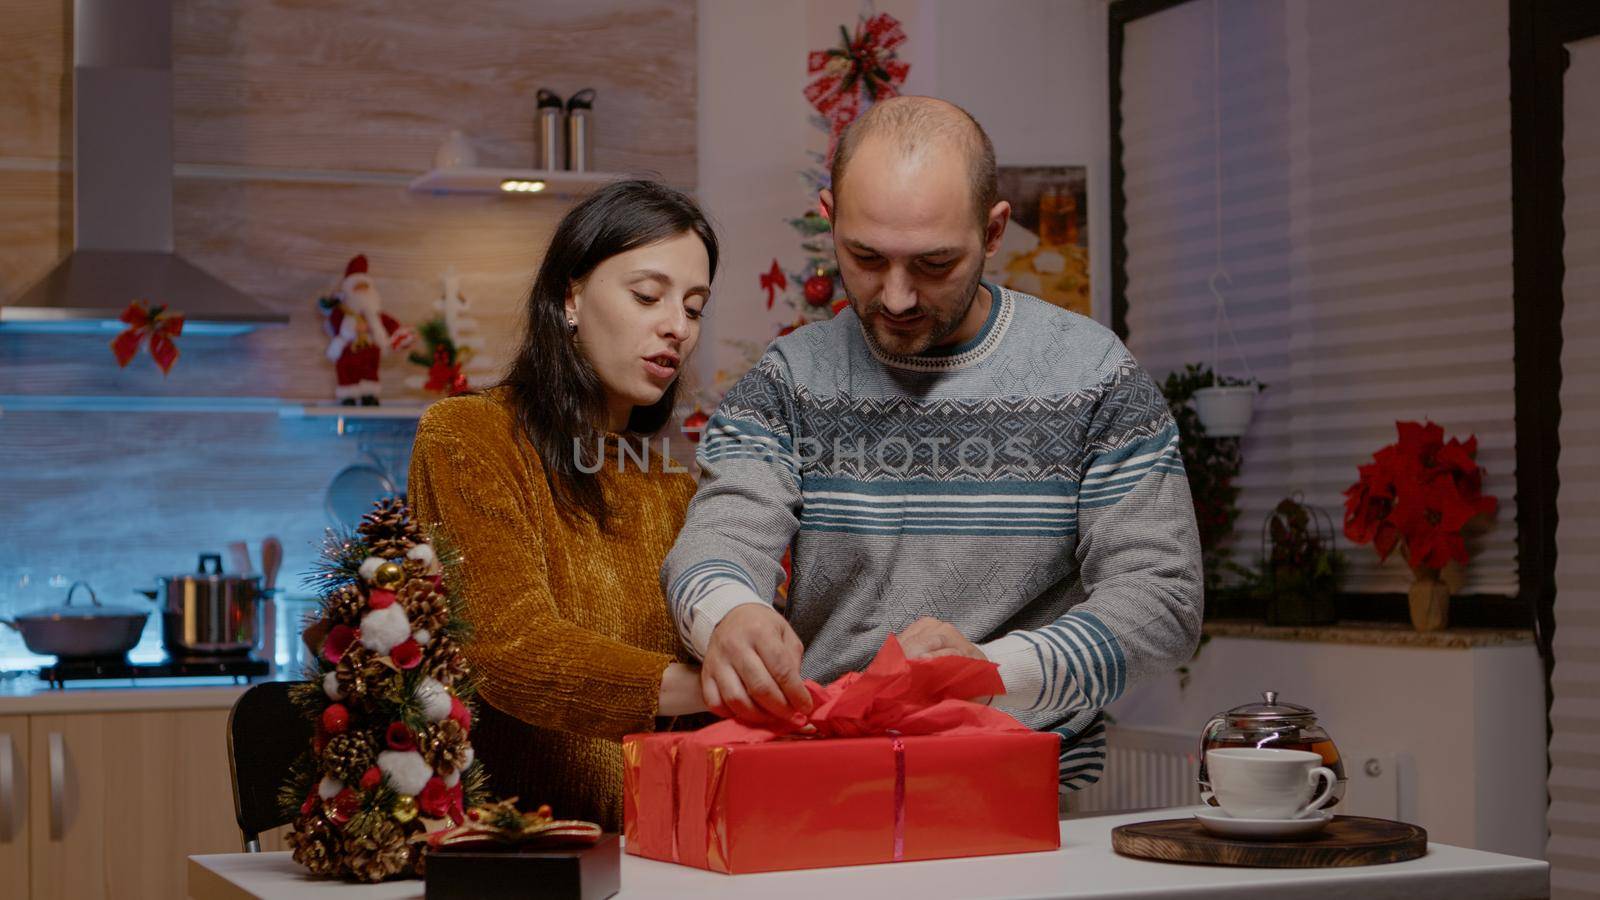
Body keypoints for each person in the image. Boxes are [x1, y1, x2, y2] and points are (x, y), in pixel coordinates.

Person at [662, 97, 1203, 789]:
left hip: (1024, 790)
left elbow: (1163, 601)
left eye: (934, 264)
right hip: (824, 783)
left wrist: (987, 671)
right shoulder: (788, 382)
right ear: (828, 216)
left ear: (995, 229)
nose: (894, 297)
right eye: (864, 257)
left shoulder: (1093, 376)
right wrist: (728, 613)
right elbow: (718, 541)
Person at [408, 179, 715, 829]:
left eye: (694, 307)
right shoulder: (470, 436)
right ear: (570, 296)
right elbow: (510, 647)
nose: (676, 327)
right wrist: (710, 686)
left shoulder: (671, 489)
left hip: (654, 856)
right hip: (513, 860)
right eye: (647, 295)